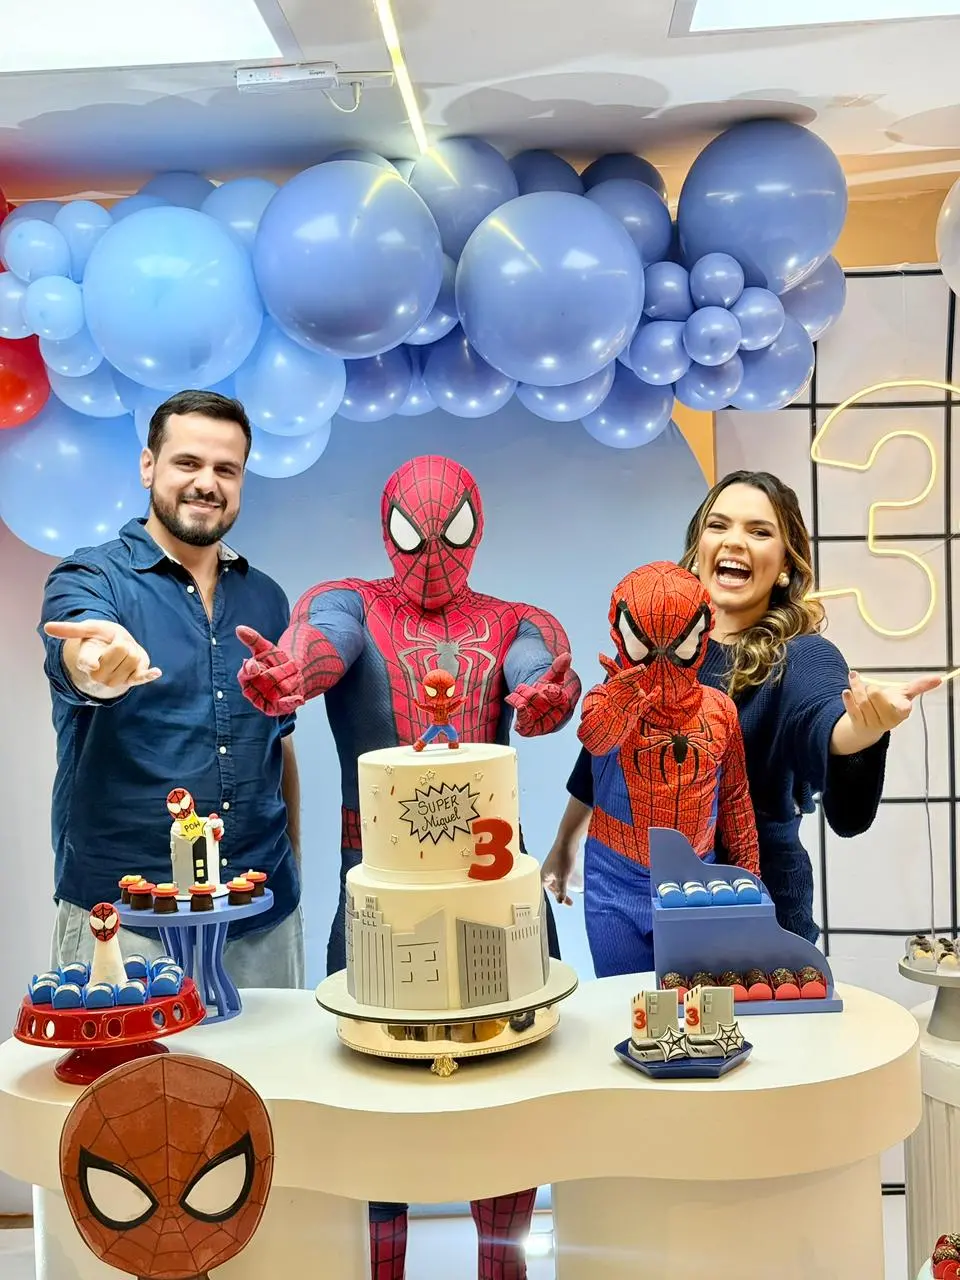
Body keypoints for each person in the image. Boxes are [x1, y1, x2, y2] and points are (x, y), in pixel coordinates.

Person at [235, 453, 581, 1280]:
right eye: (413, 533)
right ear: (387, 526)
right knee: (371, 1111)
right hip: (377, 908)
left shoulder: (515, 621)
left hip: (498, 903)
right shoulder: (350, 601)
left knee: (510, 1104)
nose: (431, 554)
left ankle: (504, 1266)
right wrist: (292, 674)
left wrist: (545, 697)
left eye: (449, 533)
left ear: (477, 527)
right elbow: (325, 641)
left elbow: (537, 670)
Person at [544, 469, 940, 948]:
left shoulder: (801, 656)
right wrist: (567, 841)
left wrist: (862, 729)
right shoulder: (647, 644)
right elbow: (601, 760)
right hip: (634, 897)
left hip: (756, 916)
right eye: (719, 525)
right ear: (698, 550)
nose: (735, 541)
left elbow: (822, 715)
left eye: (759, 531)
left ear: (786, 565)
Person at [38, 389, 303, 987]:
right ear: (148, 465)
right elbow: (80, 653)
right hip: (125, 921)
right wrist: (98, 665)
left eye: (226, 469)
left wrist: (294, 870)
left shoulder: (267, 597)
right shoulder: (91, 576)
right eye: (188, 462)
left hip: (262, 914)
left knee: (275, 1056)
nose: (207, 483)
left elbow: (279, 744)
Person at [576, 561, 759, 975]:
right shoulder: (606, 699)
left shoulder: (720, 710)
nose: (662, 663)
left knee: (696, 1000)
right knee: (624, 998)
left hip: (694, 881)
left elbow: (734, 799)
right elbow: (595, 738)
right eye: (644, 646)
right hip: (614, 880)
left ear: (701, 634)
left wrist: (748, 882)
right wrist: (619, 706)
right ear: (621, 635)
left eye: (678, 646)